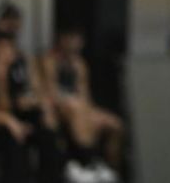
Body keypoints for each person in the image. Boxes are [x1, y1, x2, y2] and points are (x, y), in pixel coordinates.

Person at [0, 28, 63, 183]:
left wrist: (38, 104)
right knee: (10, 136)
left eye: (9, 50)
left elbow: (18, 100)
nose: (6, 55)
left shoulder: (15, 67)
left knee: (46, 128)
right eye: (1, 50)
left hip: (11, 114)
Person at [40, 28, 123, 180]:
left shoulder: (80, 64)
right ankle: (85, 161)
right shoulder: (49, 60)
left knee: (115, 124)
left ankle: (107, 165)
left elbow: (85, 94)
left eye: (78, 39)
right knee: (76, 108)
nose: (75, 43)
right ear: (62, 40)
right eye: (71, 38)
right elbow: (51, 92)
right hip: (60, 106)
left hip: (78, 105)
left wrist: (90, 112)